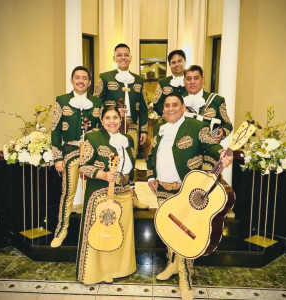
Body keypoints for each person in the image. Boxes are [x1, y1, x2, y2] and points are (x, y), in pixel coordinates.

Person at [147, 93, 233, 300]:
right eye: (167, 105)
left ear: (183, 106)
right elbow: (152, 154)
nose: (170, 109)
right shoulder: (159, 127)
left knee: (185, 234)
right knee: (169, 230)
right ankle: (172, 265)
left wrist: (221, 152)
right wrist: (151, 176)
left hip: (184, 190)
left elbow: (210, 146)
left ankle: (186, 278)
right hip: (162, 189)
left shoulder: (196, 126)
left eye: (174, 105)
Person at [76, 106, 136, 284]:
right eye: (108, 117)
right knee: (101, 230)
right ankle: (98, 273)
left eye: (115, 117)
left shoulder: (128, 140)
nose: (112, 121)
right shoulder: (92, 138)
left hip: (124, 193)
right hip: (100, 193)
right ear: (102, 121)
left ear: (120, 119)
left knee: (121, 232)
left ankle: (120, 269)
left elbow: (131, 167)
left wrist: (132, 186)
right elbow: (83, 165)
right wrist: (102, 174)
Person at [51, 66, 102, 248]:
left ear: (89, 82)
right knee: (68, 193)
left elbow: (102, 129)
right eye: (77, 78)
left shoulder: (97, 102)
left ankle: (94, 228)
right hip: (70, 153)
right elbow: (55, 131)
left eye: (84, 78)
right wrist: (57, 158)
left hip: (92, 154)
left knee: (94, 192)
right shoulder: (62, 100)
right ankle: (61, 230)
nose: (81, 81)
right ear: (71, 80)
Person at [94, 43, 149, 209]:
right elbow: (97, 103)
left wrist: (144, 129)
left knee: (130, 160)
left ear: (131, 57)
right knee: (111, 159)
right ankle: (111, 193)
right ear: (114, 58)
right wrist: (101, 124)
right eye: (119, 55)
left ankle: (132, 195)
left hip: (132, 126)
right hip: (110, 125)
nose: (123, 58)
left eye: (126, 55)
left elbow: (144, 107)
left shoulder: (139, 80)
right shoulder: (105, 77)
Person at [183, 65, 233, 170]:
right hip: (185, 156)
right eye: (188, 79)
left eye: (196, 78)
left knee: (209, 185)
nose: (192, 82)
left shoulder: (216, 100)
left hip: (210, 156)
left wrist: (222, 132)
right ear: (184, 81)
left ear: (202, 79)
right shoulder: (178, 102)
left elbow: (227, 124)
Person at [153, 49, 187, 116]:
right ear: (169, 65)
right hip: (168, 122)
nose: (177, 64)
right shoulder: (163, 82)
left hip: (189, 122)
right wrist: (167, 116)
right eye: (173, 62)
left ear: (185, 62)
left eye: (179, 61)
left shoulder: (192, 81)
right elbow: (156, 104)